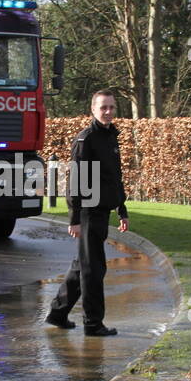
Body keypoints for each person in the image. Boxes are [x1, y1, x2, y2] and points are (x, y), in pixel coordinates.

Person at [45, 89, 129, 336]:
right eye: (103, 107)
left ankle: (58, 313)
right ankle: (93, 324)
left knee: (83, 266)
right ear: (93, 109)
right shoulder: (87, 138)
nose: (108, 112)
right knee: (93, 269)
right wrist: (74, 218)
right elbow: (76, 180)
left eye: (112, 107)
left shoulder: (111, 136)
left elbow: (115, 177)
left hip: (102, 211)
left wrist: (122, 209)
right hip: (88, 213)